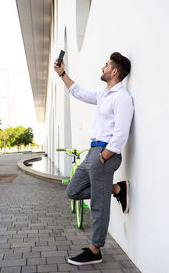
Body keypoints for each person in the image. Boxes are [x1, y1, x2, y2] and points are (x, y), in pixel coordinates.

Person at [54, 52, 134, 266]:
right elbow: (78, 92)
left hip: (104, 155)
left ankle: (95, 250)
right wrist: (62, 74)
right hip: (92, 153)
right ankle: (117, 189)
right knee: (73, 190)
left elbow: (121, 132)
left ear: (114, 71)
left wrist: (104, 155)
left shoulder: (122, 98)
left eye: (106, 64)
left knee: (99, 205)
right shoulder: (103, 95)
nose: (103, 67)